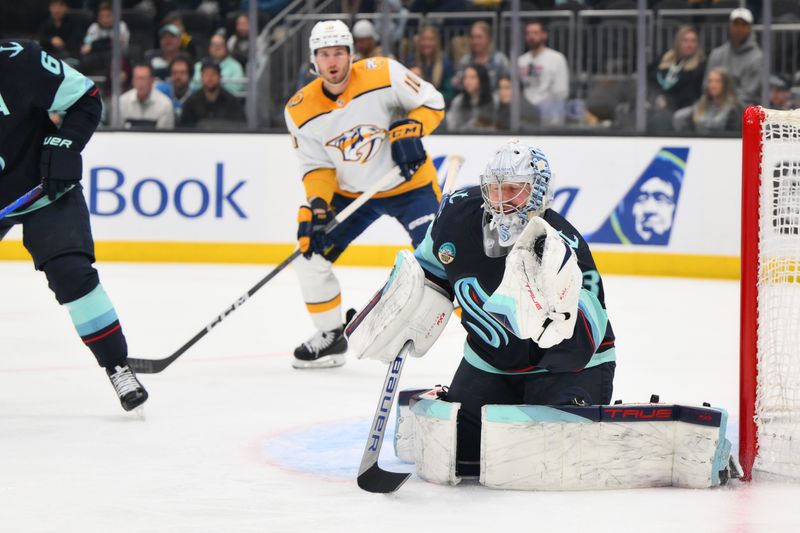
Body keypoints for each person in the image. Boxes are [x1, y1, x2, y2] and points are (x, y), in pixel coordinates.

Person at [353, 140, 616, 476]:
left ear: (538, 191)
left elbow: (590, 328)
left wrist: (555, 324)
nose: (503, 200)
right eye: (495, 190)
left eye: (514, 190)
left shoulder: (562, 243)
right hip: (491, 362)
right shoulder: (455, 218)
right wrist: (406, 309)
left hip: (568, 368)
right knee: (461, 455)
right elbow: (427, 273)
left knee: (544, 459)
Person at [284, 20, 446, 368]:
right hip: (352, 195)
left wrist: (414, 126)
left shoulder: (383, 73)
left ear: (351, 54)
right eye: (325, 54)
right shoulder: (300, 110)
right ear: (313, 60)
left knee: (442, 258)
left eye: (339, 52)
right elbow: (316, 167)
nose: (333, 61)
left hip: (410, 184)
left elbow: (433, 102)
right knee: (308, 258)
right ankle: (331, 335)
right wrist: (317, 204)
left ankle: (481, 336)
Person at [0, 39, 148, 411]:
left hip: (40, 188)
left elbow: (86, 98)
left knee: (70, 272)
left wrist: (63, 146)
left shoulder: (19, 60)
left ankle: (116, 365)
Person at [649, 25, 706, 131]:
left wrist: (668, 101)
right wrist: (654, 97)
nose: (689, 44)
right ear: (678, 42)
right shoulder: (663, 60)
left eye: (693, 41)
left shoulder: (700, 67)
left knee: (660, 119)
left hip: (679, 108)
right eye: (685, 41)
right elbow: (650, 80)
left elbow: (692, 95)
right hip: (655, 103)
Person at [705, 7, 762, 106]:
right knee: (681, 117)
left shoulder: (758, 58)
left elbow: (750, 94)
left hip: (742, 107)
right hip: (713, 102)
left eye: (744, 25)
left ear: (750, 28)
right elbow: (706, 85)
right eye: (736, 24)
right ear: (730, 26)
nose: (739, 29)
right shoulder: (717, 54)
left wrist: (725, 100)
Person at [517, 20, 569, 127]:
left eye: (535, 33)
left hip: (550, 114)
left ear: (544, 35)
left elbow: (561, 90)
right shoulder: (521, 61)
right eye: (528, 33)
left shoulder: (557, 58)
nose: (531, 36)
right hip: (526, 113)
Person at [673, 66, 743, 133]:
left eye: (717, 81)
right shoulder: (700, 105)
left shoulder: (734, 108)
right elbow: (679, 117)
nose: (713, 85)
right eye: (710, 81)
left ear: (726, 84)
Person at [180, 59, 245, 127]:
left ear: (220, 77)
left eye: (213, 74)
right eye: (206, 74)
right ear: (201, 77)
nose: (209, 78)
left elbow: (240, 126)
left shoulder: (232, 102)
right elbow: (184, 127)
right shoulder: (191, 102)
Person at [452, 20, 509, 93]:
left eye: (479, 37)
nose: (475, 41)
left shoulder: (500, 60)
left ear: (489, 38)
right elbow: (457, 84)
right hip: (470, 100)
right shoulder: (465, 61)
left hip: (495, 101)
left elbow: (507, 86)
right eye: (472, 37)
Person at [404, 24, 454, 105]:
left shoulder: (445, 62)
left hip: (438, 106)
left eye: (430, 40)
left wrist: (430, 97)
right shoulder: (411, 60)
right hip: (415, 104)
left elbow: (449, 93)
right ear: (419, 41)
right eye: (424, 39)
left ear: (437, 42)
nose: (426, 43)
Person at [80, 1, 130, 75]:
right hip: (97, 58)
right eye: (102, 17)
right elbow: (86, 47)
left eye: (108, 16)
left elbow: (119, 45)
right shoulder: (93, 28)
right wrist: (90, 45)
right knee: (85, 60)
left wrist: (96, 44)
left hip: (114, 56)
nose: (105, 19)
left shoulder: (121, 26)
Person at [120, 63, 176, 129]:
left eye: (143, 79)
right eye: (137, 78)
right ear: (133, 81)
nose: (140, 83)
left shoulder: (165, 104)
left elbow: (164, 136)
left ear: (152, 81)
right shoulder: (122, 102)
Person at [446, 63, 496, 132]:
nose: (467, 81)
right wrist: (473, 125)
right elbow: (452, 127)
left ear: (482, 79)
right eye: (466, 77)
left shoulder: (494, 101)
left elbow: (497, 126)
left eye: (472, 77)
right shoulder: (458, 101)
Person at [38, 0, 82, 65]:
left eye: (60, 6)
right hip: (50, 55)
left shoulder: (74, 22)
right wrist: (51, 40)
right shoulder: (45, 23)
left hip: (68, 55)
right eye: (54, 6)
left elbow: (76, 40)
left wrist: (62, 43)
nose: (57, 10)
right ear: (50, 8)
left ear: (66, 8)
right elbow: (41, 39)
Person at [156, 55, 194, 119]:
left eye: (182, 73)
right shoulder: (160, 93)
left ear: (190, 76)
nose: (178, 77)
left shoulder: (196, 97)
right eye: (174, 73)